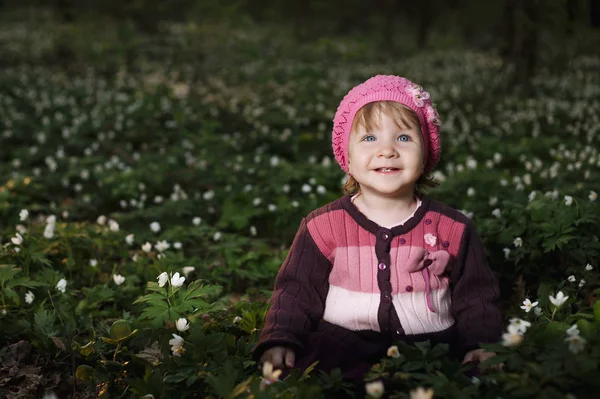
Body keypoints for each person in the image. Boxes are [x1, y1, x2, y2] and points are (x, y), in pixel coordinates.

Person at [252, 75, 502, 386]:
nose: (387, 150)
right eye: (369, 138)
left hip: (430, 352)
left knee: (468, 381)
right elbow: (296, 291)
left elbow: (476, 296)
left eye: (404, 138)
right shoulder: (322, 225)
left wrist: (481, 344)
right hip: (341, 350)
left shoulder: (454, 227)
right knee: (303, 377)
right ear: (347, 157)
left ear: (426, 153)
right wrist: (281, 337)